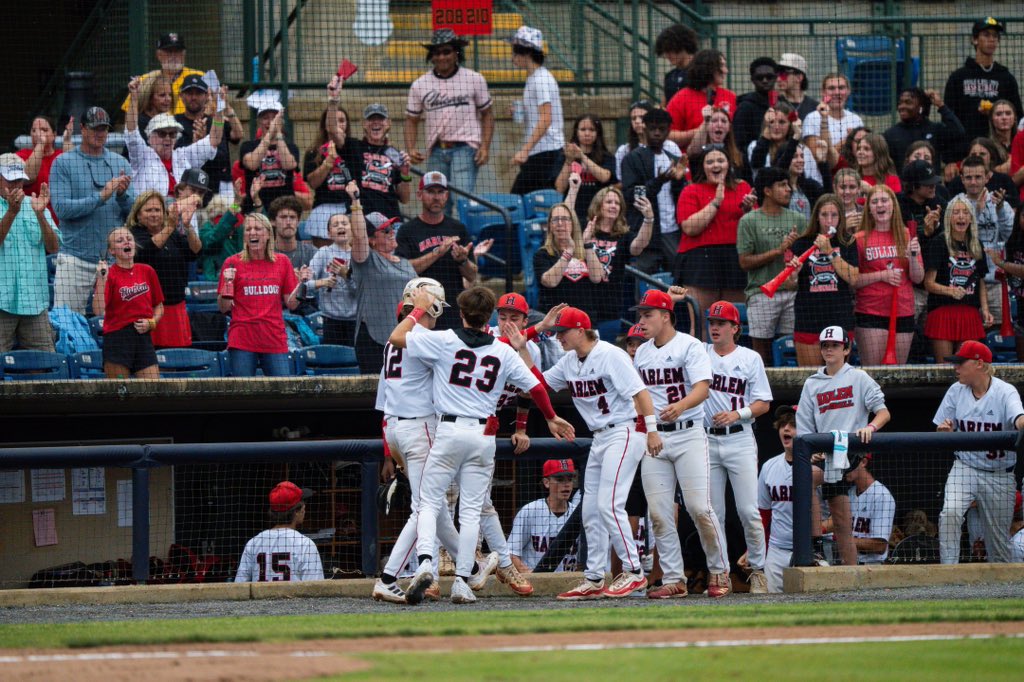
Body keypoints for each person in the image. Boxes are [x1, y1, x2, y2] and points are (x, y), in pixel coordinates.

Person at [393, 286, 574, 605]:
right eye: (502, 315)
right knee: (467, 508)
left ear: (461, 314)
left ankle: (431, 566)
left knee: (432, 503)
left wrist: (419, 309)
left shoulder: (449, 338)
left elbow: (397, 338)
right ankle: (458, 578)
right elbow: (536, 385)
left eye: (514, 317)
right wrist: (551, 417)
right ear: (491, 316)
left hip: (450, 429)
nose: (507, 321)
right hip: (479, 434)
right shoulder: (503, 348)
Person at [521, 304, 659, 601]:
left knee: (610, 504)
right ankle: (595, 577)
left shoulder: (611, 354)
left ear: (581, 330)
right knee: (590, 510)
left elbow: (641, 393)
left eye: (563, 332)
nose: (559, 338)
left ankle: (634, 572)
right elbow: (536, 385)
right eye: (556, 332)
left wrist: (652, 430)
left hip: (624, 429)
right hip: (599, 437)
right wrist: (522, 348)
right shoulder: (570, 361)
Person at [628, 290, 730, 599]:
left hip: (688, 433)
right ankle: (673, 578)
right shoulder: (642, 353)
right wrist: (648, 427)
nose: (642, 320)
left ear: (665, 316)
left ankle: (719, 570)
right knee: (659, 514)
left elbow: (703, 388)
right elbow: (637, 397)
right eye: (640, 314)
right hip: (655, 435)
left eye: (648, 314)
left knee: (700, 508)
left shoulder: (690, 345)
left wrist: (682, 406)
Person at [373, 287, 461, 604]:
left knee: (433, 508)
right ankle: (410, 568)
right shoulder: (420, 339)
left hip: (396, 429)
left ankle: (471, 566)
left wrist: (389, 452)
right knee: (425, 506)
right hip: (419, 426)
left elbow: (383, 406)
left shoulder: (389, 346)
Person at [797, 325, 890, 567]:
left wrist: (870, 428)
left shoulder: (858, 377)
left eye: (835, 345)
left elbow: (883, 412)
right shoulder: (812, 383)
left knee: (806, 476)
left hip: (848, 453)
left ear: (846, 349)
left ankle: (815, 544)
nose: (829, 350)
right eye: (825, 346)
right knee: (841, 522)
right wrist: (812, 449)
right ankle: (851, 575)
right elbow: (805, 427)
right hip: (825, 454)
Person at [703, 299, 773, 593]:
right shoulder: (700, 352)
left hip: (740, 436)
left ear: (735, 328)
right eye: (711, 322)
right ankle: (719, 574)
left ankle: (757, 569)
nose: (715, 327)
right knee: (711, 513)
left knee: (748, 510)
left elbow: (764, 403)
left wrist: (738, 413)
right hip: (705, 439)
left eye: (721, 323)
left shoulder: (749, 357)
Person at [935, 340, 1024, 564]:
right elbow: (940, 428)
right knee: (950, 513)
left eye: (961, 362)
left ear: (980, 364)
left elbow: (1019, 418)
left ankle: (1001, 591)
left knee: (997, 542)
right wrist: (944, 431)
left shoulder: (1005, 392)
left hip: (999, 473)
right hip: (965, 467)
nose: (955, 367)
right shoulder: (956, 391)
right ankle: (949, 574)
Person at [50, 106, 134, 314]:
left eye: (104, 129)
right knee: (67, 324)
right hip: (74, 259)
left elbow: (133, 213)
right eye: (95, 128)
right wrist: (100, 197)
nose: (100, 133)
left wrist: (123, 196)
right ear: (83, 129)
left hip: (114, 261)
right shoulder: (63, 162)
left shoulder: (120, 162)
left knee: (116, 323)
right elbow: (61, 209)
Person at [405, 29, 494, 203]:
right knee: (436, 203)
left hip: (466, 148)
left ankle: (462, 231)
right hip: (436, 149)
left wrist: (485, 147)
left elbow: (488, 114)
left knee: (461, 200)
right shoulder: (419, 85)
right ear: (431, 56)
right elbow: (411, 120)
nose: (442, 57)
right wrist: (410, 148)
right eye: (437, 52)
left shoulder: (474, 79)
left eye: (446, 51)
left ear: (456, 53)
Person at [217, 213, 304, 376]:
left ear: (268, 234)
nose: (252, 233)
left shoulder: (282, 261)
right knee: (243, 393)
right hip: (243, 338)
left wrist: (303, 283)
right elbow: (223, 308)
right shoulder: (232, 263)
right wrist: (227, 284)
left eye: (257, 228)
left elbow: (292, 304)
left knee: (283, 391)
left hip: (274, 337)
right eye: (248, 229)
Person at [395, 171, 482, 330]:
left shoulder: (458, 228)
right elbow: (403, 269)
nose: (436, 197)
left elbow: (472, 275)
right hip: (420, 310)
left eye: (440, 192)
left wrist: (462, 260)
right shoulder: (407, 230)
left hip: (453, 310)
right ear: (420, 195)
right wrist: (437, 252)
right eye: (430, 192)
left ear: (447, 196)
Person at [676, 145, 756, 315]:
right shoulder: (691, 191)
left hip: (734, 259)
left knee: (732, 320)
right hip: (700, 262)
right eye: (710, 161)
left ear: (729, 165)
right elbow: (690, 228)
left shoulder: (742, 187)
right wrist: (716, 202)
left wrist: (749, 212)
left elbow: (755, 228)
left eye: (720, 160)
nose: (715, 165)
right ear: (703, 167)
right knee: (700, 323)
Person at [737, 166, 806, 363]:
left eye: (788, 185)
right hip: (761, 293)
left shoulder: (799, 220)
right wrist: (778, 250)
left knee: (791, 347)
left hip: (793, 293)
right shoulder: (749, 221)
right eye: (782, 185)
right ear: (767, 191)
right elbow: (744, 262)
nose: (788, 189)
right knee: (761, 352)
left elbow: (806, 256)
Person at [853, 185, 924, 365]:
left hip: (903, 311)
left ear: (893, 205)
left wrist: (914, 256)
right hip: (871, 312)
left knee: (897, 375)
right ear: (868, 208)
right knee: (872, 374)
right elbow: (852, 281)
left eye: (884, 200)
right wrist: (882, 275)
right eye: (874, 201)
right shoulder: (860, 238)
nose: (879, 205)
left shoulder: (907, 235)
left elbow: (918, 278)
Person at [350, 187, 417, 373]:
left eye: (392, 228)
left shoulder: (405, 264)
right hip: (374, 338)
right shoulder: (366, 260)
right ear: (372, 239)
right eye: (385, 230)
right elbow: (358, 235)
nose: (392, 232)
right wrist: (355, 202)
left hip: (405, 337)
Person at [789, 194, 859, 366]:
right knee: (810, 379)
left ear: (840, 218)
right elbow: (789, 284)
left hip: (839, 316)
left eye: (834, 215)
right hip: (808, 317)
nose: (829, 220)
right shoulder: (802, 243)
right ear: (816, 217)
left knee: (838, 380)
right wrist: (793, 275)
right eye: (824, 215)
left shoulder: (848, 242)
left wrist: (830, 251)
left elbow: (853, 278)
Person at [126, 189, 201, 348]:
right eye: (148, 210)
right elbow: (148, 250)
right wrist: (171, 226)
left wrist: (188, 228)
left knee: (178, 359)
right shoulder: (133, 235)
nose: (154, 214)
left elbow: (195, 252)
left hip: (176, 306)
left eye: (157, 210)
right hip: (149, 310)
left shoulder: (172, 234)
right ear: (138, 215)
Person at [0, 155, 60, 352]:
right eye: (11, 180)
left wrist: (41, 215)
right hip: (2, 302)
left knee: (46, 366)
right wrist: (11, 213)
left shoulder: (34, 204)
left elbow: (54, 247)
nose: (16, 185)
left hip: (34, 302)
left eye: (19, 180)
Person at [125, 76, 222, 196]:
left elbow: (214, 139)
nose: (167, 137)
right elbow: (131, 133)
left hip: (184, 212)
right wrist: (134, 97)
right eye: (162, 133)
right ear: (150, 137)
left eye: (172, 134)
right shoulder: (141, 156)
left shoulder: (183, 155)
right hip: (154, 212)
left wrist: (220, 105)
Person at [924, 195, 991, 362]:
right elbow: (928, 283)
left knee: (967, 368)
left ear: (970, 218)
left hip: (969, 312)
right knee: (944, 369)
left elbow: (981, 280)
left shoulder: (976, 244)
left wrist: (985, 309)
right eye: (956, 212)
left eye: (965, 212)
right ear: (949, 218)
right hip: (942, 312)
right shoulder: (939, 243)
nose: (961, 216)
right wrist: (950, 291)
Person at [620, 108, 687, 274]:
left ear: (668, 131)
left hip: (671, 231)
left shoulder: (674, 159)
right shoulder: (632, 158)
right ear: (644, 129)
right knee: (645, 285)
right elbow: (631, 195)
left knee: (678, 281)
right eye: (652, 128)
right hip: (645, 233)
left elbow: (681, 197)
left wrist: (678, 181)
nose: (657, 133)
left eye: (662, 129)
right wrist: (659, 181)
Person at [943, 18, 1023, 156]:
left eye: (995, 36)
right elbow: (948, 119)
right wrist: (951, 158)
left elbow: (1018, 115)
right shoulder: (958, 77)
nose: (992, 39)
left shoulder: (1005, 77)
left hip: (1000, 151)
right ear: (974, 40)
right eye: (986, 34)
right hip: (966, 150)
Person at [93, 228, 164, 379]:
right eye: (119, 241)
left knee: (152, 390)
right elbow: (99, 310)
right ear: (112, 251)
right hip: (117, 339)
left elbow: (159, 306)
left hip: (143, 337)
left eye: (129, 238)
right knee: (120, 392)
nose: (126, 241)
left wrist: (151, 322)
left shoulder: (147, 271)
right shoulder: (109, 274)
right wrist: (101, 279)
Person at [955, 155, 1014, 328]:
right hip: (966, 285)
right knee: (970, 334)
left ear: (988, 177)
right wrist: (977, 212)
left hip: (997, 283)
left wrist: (1001, 209)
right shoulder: (956, 204)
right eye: (969, 177)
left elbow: (1008, 235)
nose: (973, 182)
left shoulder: (1000, 203)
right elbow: (957, 239)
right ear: (962, 179)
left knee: (1001, 333)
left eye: (978, 177)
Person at [584, 186, 655, 324]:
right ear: (599, 205)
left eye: (617, 203)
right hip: (584, 303)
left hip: (610, 306)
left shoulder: (624, 235)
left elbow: (637, 247)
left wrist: (648, 219)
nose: (613, 206)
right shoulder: (586, 228)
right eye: (609, 202)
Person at [508, 26, 565, 195]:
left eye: (515, 52)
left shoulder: (541, 79)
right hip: (539, 152)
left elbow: (546, 119)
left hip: (546, 153)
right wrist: (522, 112)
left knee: (519, 199)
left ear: (527, 53)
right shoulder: (533, 78)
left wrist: (525, 150)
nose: (513, 58)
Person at [235, 481, 324, 582]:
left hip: (262, 598)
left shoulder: (254, 543)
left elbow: (239, 585)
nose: (305, 507)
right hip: (294, 598)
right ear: (296, 512)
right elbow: (315, 589)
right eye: (303, 503)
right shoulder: (305, 544)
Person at [305, 79, 358, 242]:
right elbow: (312, 183)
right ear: (325, 124)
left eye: (342, 120)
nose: (338, 124)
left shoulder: (353, 147)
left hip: (351, 207)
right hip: (324, 208)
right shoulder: (313, 152)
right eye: (334, 120)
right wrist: (328, 162)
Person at [340, 99, 411, 220]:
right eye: (371, 119)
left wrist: (405, 173)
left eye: (381, 119)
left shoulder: (394, 154)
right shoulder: (353, 146)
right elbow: (333, 131)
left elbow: (405, 199)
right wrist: (334, 99)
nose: (376, 122)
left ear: (388, 123)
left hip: (390, 218)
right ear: (363, 123)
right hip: (361, 217)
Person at [175, 75, 243, 199]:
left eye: (199, 93)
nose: (194, 97)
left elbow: (237, 135)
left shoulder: (216, 121)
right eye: (189, 93)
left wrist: (225, 104)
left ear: (206, 96)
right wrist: (197, 143)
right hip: (189, 190)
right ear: (181, 96)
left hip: (218, 189)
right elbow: (178, 157)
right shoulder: (174, 124)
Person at [508, 459, 581, 573]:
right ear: (546, 482)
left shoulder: (578, 513)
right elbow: (512, 554)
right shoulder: (529, 511)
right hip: (534, 583)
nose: (566, 485)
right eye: (560, 480)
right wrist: (532, 578)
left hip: (568, 583)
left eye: (570, 479)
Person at [757, 405, 798, 593]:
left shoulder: (821, 468)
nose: (786, 429)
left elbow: (835, 517)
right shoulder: (769, 467)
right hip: (777, 550)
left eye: (793, 425)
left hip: (814, 549)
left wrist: (820, 529)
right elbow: (763, 515)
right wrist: (756, 549)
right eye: (783, 425)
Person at [533, 202, 603, 311]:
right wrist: (568, 253)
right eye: (555, 219)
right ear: (550, 226)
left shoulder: (587, 251)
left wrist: (588, 244)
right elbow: (550, 282)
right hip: (554, 322)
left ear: (573, 224)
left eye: (565, 219)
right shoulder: (542, 254)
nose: (560, 223)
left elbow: (597, 278)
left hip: (584, 321)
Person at [120, 33, 204, 118]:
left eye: (177, 51)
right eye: (169, 52)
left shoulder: (200, 77)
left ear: (184, 54)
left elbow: (215, 109)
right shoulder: (145, 80)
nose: (173, 56)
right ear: (158, 55)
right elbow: (127, 115)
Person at [667, 49, 736, 150]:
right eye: (721, 65)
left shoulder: (730, 97)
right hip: (691, 161)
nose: (726, 71)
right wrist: (702, 131)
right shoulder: (682, 98)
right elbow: (668, 135)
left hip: (724, 160)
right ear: (708, 68)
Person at [555, 114, 616, 227]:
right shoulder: (564, 154)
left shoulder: (606, 156)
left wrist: (582, 156)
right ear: (576, 132)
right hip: (572, 212)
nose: (587, 133)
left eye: (592, 130)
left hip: (598, 215)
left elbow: (604, 177)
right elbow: (560, 187)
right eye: (583, 129)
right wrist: (569, 160)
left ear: (598, 133)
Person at [239, 102, 300, 213]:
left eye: (274, 118)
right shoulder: (248, 146)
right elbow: (252, 164)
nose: (270, 121)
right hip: (255, 207)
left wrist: (278, 134)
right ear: (259, 122)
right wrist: (270, 132)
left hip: (285, 209)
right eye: (265, 118)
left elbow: (289, 165)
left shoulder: (291, 147)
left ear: (281, 122)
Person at [307, 213, 358, 346]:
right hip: (330, 321)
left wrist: (346, 275)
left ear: (351, 229)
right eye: (335, 225)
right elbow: (306, 283)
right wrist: (322, 282)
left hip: (356, 321)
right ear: (329, 234)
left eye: (344, 223)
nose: (341, 226)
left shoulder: (358, 255)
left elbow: (361, 291)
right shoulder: (324, 253)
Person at [883, 87, 965, 169]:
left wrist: (941, 105)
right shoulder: (891, 134)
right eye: (900, 103)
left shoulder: (935, 129)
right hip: (903, 181)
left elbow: (958, 132)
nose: (902, 106)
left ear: (921, 107)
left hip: (931, 181)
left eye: (908, 102)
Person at [801, 74, 864, 166]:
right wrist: (848, 140)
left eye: (841, 88)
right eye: (831, 88)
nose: (837, 92)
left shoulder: (856, 119)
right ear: (822, 92)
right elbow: (819, 157)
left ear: (848, 91)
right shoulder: (812, 118)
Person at [845, 456, 895, 564]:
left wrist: (844, 540)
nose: (845, 468)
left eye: (849, 462)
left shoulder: (882, 495)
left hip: (872, 567)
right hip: (849, 564)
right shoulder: (849, 493)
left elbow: (880, 546)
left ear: (863, 462)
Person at [946, 138, 1020, 210]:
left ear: (991, 156)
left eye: (982, 154)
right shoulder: (957, 183)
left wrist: (1000, 207)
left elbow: (1013, 212)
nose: (978, 157)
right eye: (973, 154)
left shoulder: (1004, 180)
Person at [17, 116, 71, 208]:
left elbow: (75, 170)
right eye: (34, 130)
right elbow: (29, 177)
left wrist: (67, 140)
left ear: (54, 135)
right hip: (31, 215)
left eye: (44, 130)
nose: (38, 134)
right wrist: (41, 143)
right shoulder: (22, 154)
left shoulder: (61, 156)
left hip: (59, 216)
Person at [733, 57, 779, 153]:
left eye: (769, 77)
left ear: (776, 77)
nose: (765, 80)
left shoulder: (783, 105)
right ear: (752, 80)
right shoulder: (745, 107)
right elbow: (740, 144)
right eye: (759, 77)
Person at [774, 140, 827, 220]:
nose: (800, 160)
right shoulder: (775, 187)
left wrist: (822, 163)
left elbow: (828, 197)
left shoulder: (810, 186)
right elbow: (781, 168)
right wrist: (795, 137)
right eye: (795, 156)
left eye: (802, 156)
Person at [655, 24, 699, 105]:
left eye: (670, 50)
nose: (667, 55)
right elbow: (664, 106)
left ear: (683, 46)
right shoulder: (670, 76)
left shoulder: (702, 71)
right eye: (665, 51)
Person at [776, 53, 818, 120]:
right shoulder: (774, 104)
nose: (778, 79)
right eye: (777, 74)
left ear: (799, 77)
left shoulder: (814, 107)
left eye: (783, 74)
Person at [989, 100, 1019, 173]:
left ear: (1015, 118)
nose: (1004, 117)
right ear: (992, 119)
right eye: (999, 114)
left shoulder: (1021, 141)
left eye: (1008, 113)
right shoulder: (987, 145)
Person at [833, 167, 864, 231]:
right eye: (843, 187)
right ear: (835, 188)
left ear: (859, 189)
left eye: (852, 187)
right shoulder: (827, 212)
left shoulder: (865, 212)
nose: (847, 192)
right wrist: (843, 228)